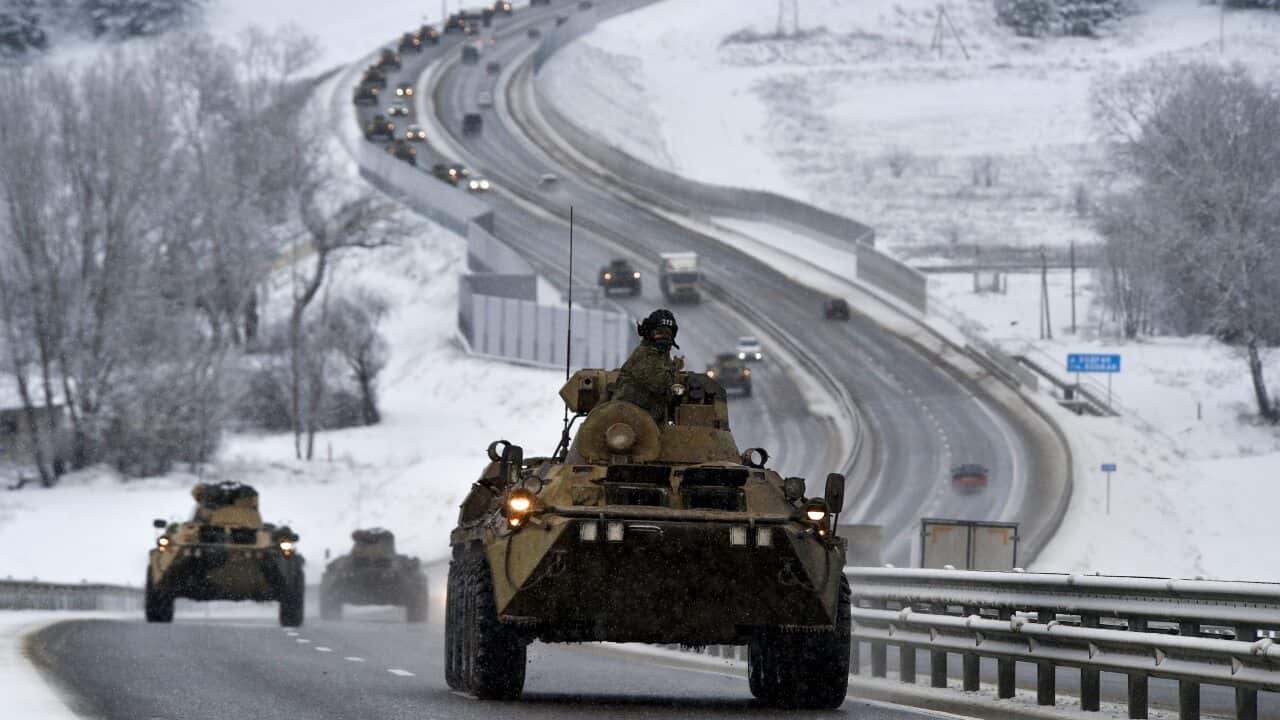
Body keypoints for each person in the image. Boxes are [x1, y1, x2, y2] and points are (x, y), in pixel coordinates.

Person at [614, 309, 680, 424]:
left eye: (668, 333)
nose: (664, 337)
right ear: (649, 333)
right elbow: (661, 384)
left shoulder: (661, 355)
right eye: (659, 332)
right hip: (629, 420)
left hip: (646, 419)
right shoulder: (646, 354)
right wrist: (674, 370)